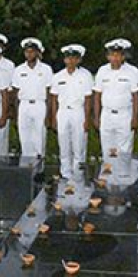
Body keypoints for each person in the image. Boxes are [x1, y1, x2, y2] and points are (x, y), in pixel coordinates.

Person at [49, 44, 93, 180]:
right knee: (63, 144)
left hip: (78, 112)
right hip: (62, 112)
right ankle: (65, 175)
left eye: (74, 58)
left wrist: (87, 119)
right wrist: (53, 118)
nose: (71, 61)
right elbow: (54, 99)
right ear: (64, 60)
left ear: (79, 60)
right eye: (68, 58)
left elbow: (88, 99)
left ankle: (78, 176)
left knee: (79, 146)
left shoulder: (86, 76)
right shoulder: (57, 76)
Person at [93, 38, 138, 159]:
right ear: (108, 57)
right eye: (112, 55)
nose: (115, 58)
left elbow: (136, 97)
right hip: (107, 115)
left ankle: (123, 176)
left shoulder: (132, 71)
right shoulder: (102, 71)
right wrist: (96, 117)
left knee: (124, 150)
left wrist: (135, 118)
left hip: (124, 115)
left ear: (123, 57)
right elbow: (97, 95)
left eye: (118, 55)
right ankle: (109, 176)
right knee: (108, 149)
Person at [11, 37, 53, 158]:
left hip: (39, 105)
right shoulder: (18, 70)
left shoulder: (46, 69)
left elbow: (49, 92)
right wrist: (15, 112)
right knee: (24, 138)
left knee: (39, 138)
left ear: (37, 52)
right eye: (27, 51)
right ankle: (27, 169)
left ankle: (39, 170)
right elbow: (15, 92)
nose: (29, 54)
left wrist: (49, 114)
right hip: (24, 105)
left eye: (32, 51)